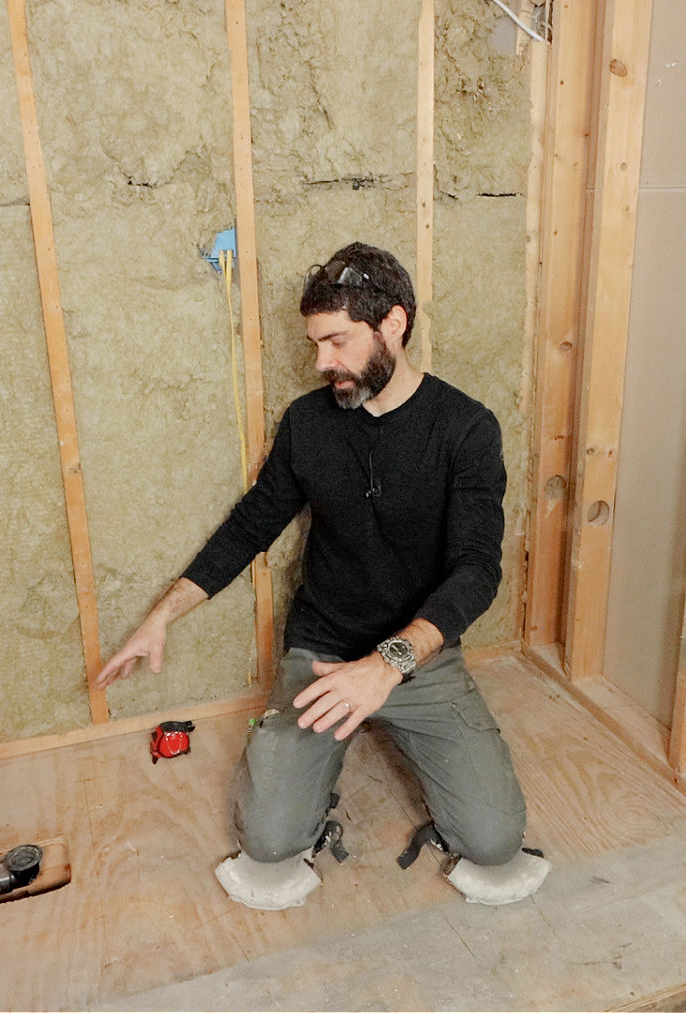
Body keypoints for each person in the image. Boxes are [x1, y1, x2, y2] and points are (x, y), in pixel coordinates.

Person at [94, 241, 548, 909]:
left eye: (335, 341)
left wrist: (388, 663)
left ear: (392, 322)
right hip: (323, 651)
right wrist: (163, 614)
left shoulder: (466, 429)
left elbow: (477, 570)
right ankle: (311, 780)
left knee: (495, 840)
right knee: (269, 842)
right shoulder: (308, 423)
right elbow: (250, 526)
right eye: (315, 343)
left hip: (418, 656)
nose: (320, 362)